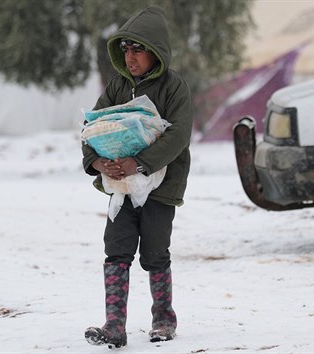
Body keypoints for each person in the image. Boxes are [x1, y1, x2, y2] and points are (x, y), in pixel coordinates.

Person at [81, 5, 193, 349]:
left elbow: (178, 136)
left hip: (161, 187)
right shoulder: (116, 87)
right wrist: (99, 163)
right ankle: (114, 325)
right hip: (121, 188)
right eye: (126, 49)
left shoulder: (174, 88)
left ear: (156, 50)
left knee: (156, 253)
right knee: (116, 251)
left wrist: (139, 162)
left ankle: (163, 319)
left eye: (138, 49)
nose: (131, 57)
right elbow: (91, 128)